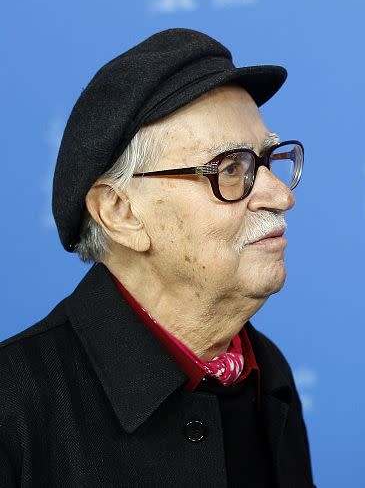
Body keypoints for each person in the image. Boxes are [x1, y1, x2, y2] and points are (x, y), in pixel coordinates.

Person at [0, 29, 314, 487]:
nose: (281, 195)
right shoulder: (15, 407)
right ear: (120, 213)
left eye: (267, 161)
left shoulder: (266, 373)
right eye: (230, 169)